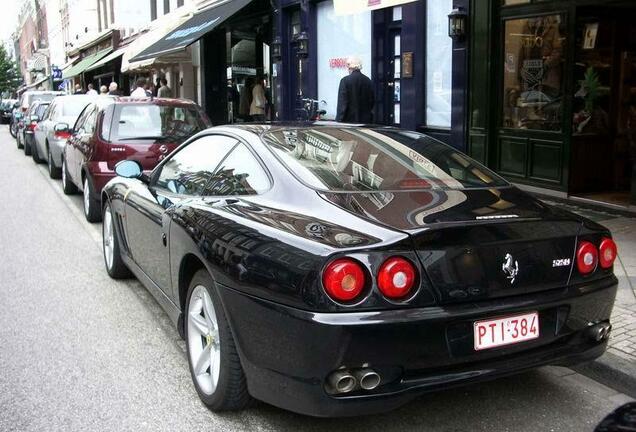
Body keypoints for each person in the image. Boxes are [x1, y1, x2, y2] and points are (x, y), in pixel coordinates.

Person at [336, 56, 375, 123]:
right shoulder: (368, 80)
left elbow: (342, 104)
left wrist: (339, 120)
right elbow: (372, 101)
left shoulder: (345, 81)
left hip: (349, 122)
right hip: (365, 121)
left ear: (349, 66)